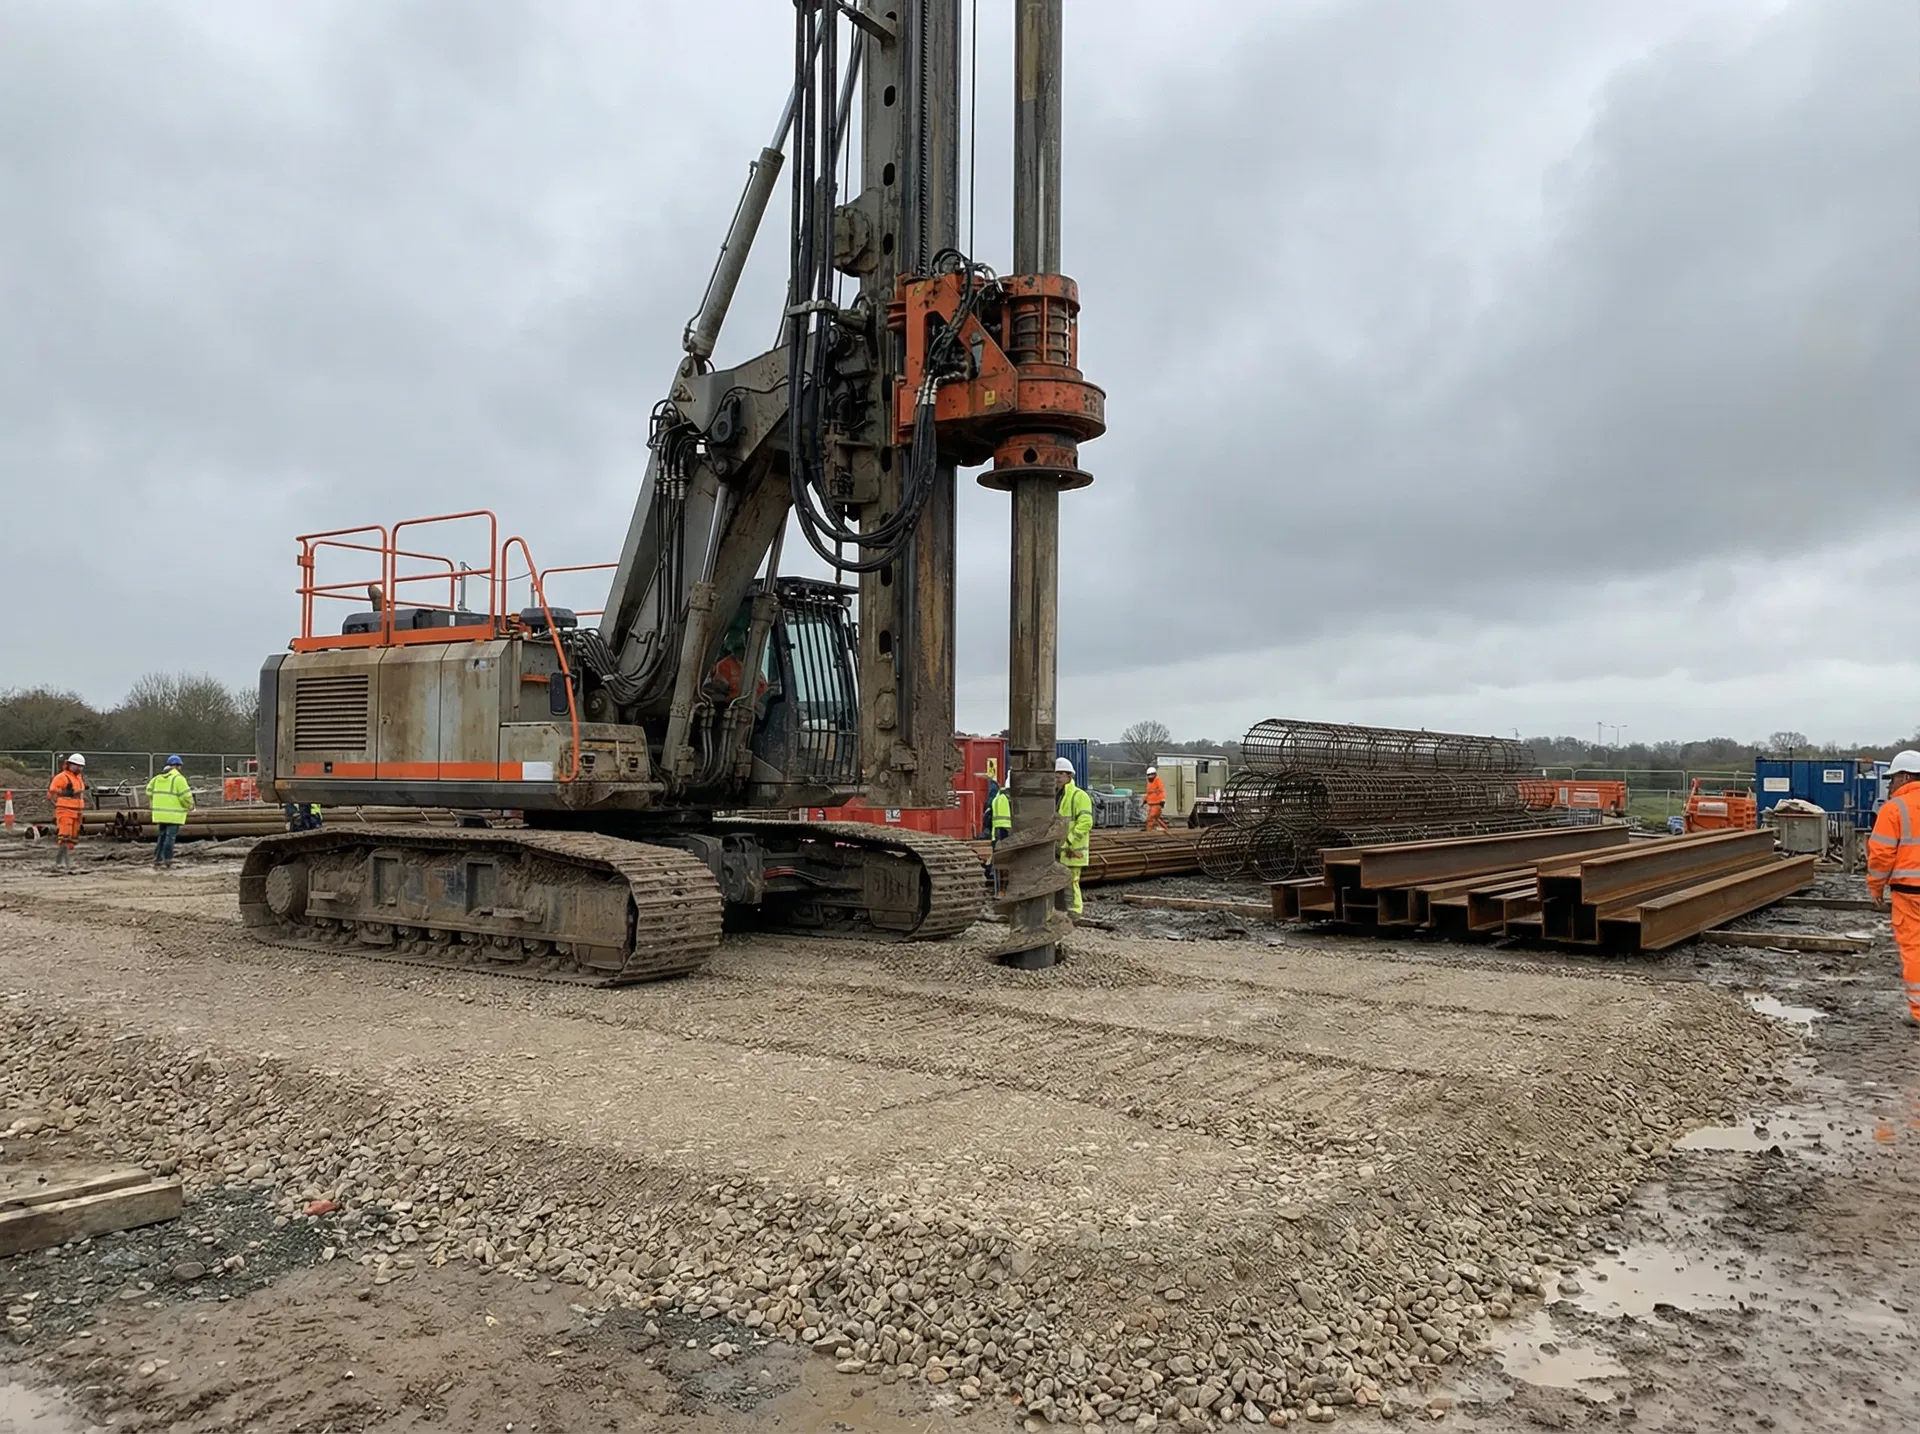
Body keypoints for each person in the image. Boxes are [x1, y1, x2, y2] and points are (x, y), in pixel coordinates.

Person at [1868, 750, 1920, 1027]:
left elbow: (1880, 856)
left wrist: (1875, 887)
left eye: (1891, 780)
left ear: (1904, 776)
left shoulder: (1894, 809)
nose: (1889, 786)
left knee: (1914, 948)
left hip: (1910, 893)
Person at [1054, 756, 1093, 918]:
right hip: (1058, 848)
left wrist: (1069, 840)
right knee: (1057, 882)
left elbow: (1086, 822)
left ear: (1069, 776)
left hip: (1073, 849)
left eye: (1059, 774)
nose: (1056, 778)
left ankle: (1075, 912)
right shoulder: (1056, 796)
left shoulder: (1079, 796)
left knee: (1071, 881)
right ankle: (1061, 911)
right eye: (1054, 774)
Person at [144, 755, 195, 870]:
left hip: (160, 814)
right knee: (170, 838)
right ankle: (168, 859)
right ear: (177, 766)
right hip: (174, 815)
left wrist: (157, 802)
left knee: (161, 836)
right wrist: (190, 806)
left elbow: (148, 791)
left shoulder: (157, 778)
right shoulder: (179, 779)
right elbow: (185, 796)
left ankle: (158, 859)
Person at [47, 753, 87, 875]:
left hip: (77, 810)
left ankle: (67, 861)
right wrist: (64, 792)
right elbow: (52, 792)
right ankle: (60, 862)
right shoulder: (62, 777)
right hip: (65, 809)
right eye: (76, 765)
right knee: (64, 835)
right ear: (69, 764)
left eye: (80, 766)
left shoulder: (78, 778)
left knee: (72, 837)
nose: (78, 768)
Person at [1143, 766, 1169, 834]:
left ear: (1155, 774)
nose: (1150, 776)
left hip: (1157, 803)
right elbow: (1148, 793)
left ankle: (1149, 832)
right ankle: (1165, 829)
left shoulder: (1158, 781)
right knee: (1156, 818)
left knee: (1150, 818)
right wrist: (1145, 800)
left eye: (1151, 774)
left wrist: (1162, 799)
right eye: (1149, 775)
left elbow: (1161, 790)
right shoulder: (1149, 783)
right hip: (1151, 803)